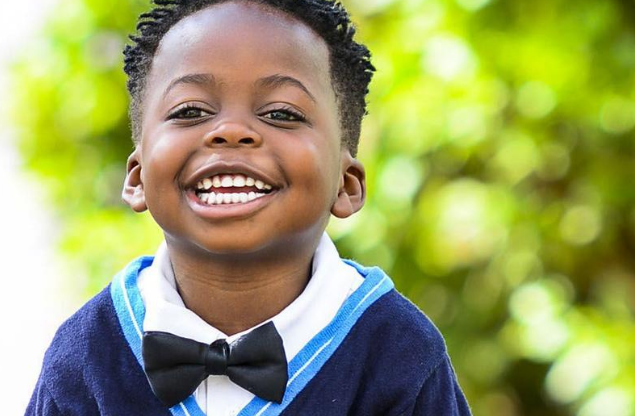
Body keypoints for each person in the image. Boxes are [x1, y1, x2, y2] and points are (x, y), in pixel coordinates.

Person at [27, 0, 472, 414]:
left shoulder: (399, 352)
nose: (232, 131)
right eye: (190, 110)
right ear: (137, 177)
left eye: (281, 113)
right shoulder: (87, 353)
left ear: (346, 185)